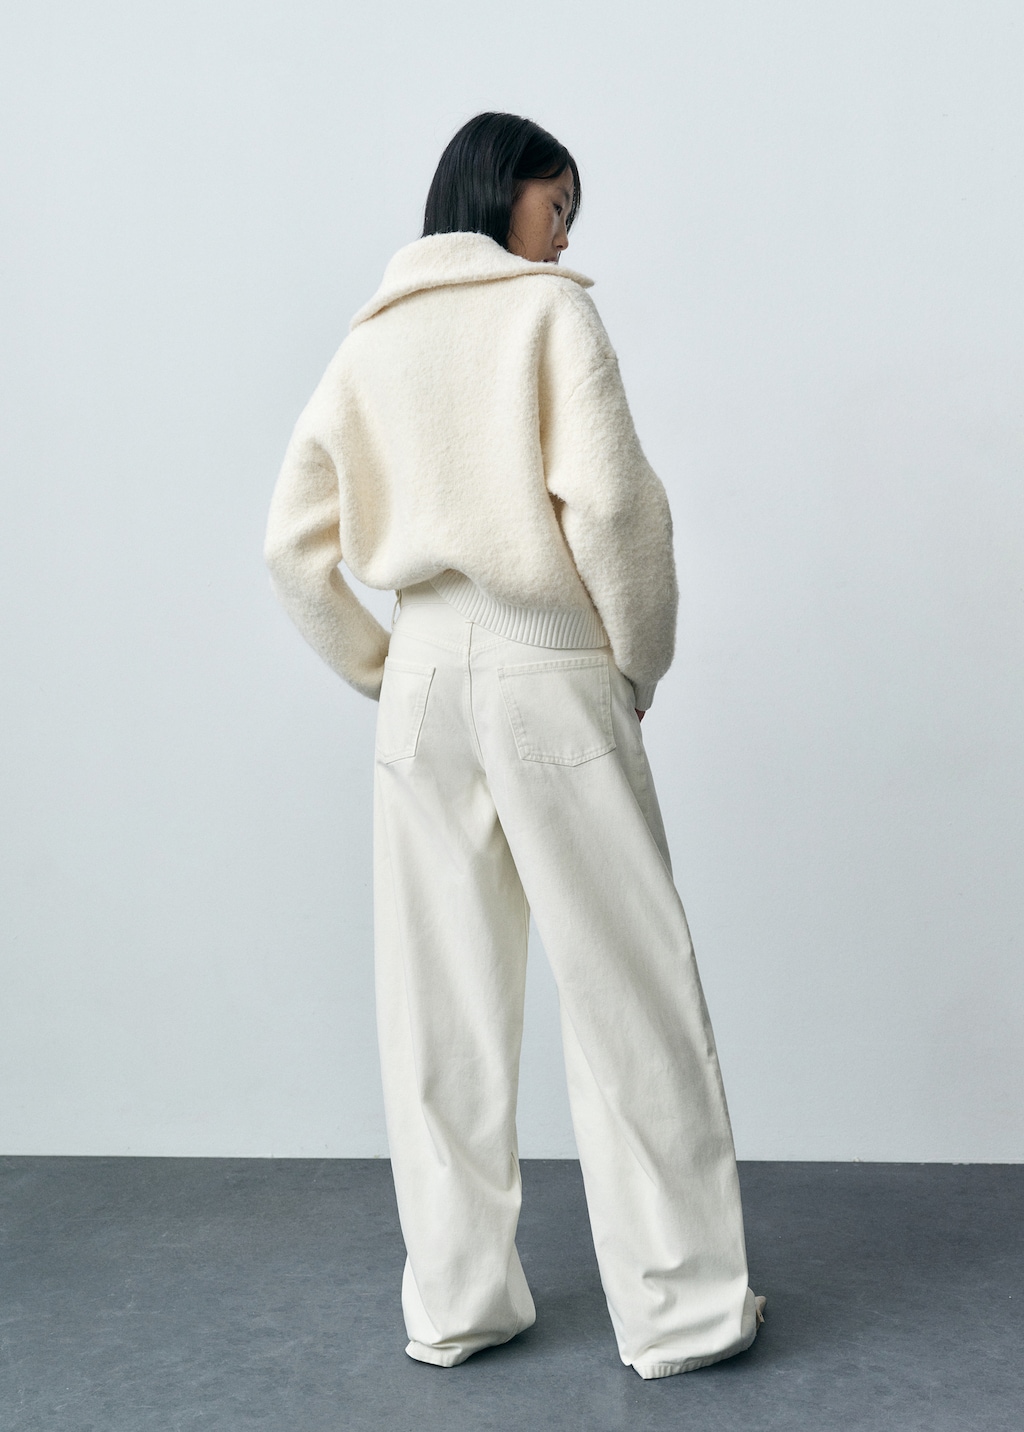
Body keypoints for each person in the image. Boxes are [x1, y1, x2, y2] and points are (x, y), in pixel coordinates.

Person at [264, 111, 765, 1380]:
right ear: (500, 196)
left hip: (424, 683)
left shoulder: (367, 343)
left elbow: (292, 548)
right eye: (556, 207)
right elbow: (615, 508)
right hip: (548, 668)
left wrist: (384, 669)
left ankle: (457, 1303)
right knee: (630, 993)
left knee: (437, 1012)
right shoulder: (547, 317)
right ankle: (682, 1311)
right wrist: (633, 662)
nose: (563, 238)